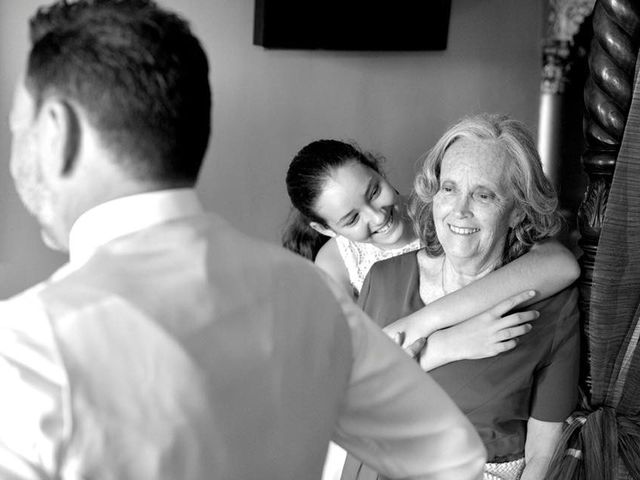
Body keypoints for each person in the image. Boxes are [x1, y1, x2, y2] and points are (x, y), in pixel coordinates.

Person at [0, 1, 488, 479]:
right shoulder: (308, 296)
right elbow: (453, 457)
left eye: (15, 127)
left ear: (54, 131)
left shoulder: (24, 350)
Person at [283, 138, 580, 479]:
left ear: (379, 170)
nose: (378, 216)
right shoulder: (339, 265)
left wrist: (425, 321)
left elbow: (559, 264)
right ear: (324, 229)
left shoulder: (446, 217)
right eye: (351, 219)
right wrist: (447, 344)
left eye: (374, 191)